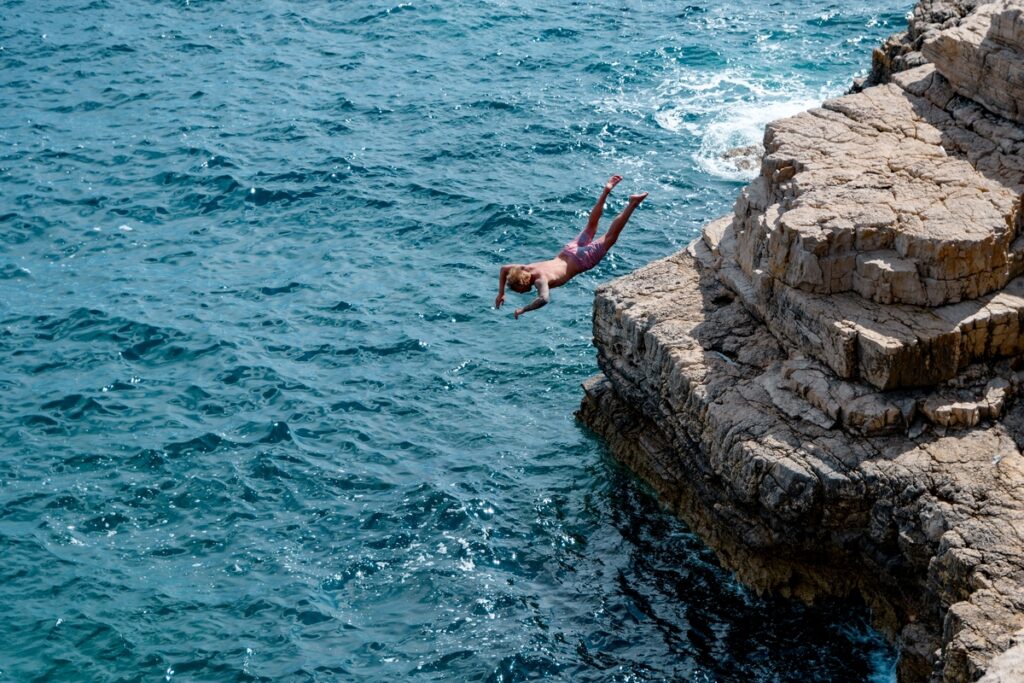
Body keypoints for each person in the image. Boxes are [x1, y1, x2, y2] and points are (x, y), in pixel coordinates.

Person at [495, 175, 648, 319]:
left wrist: (523, 309)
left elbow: (544, 299)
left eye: (518, 290)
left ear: (523, 283)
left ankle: (633, 203)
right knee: (591, 225)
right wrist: (501, 293)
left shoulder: (540, 280)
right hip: (569, 250)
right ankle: (605, 192)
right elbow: (504, 268)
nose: (520, 293)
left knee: (610, 237)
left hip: (581, 260)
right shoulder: (526, 268)